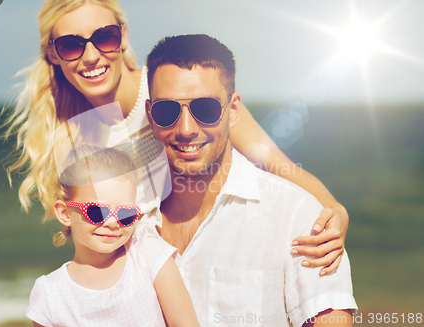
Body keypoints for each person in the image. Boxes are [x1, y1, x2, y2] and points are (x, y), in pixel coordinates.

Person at [3, 0, 347, 274]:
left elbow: (275, 163)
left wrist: (333, 209)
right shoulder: (71, 136)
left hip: (220, 262)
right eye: (71, 44)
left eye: (104, 37)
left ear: (122, 37)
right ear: (53, 53)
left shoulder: (178, 88)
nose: (91, 56)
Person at [143, 34, 357, 327]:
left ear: (233, 111)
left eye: (204, 108)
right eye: (166, 111)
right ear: (149, 115)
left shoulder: (299, 219)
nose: (186, 129)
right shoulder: (127, 217)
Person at [26, 145, 200, 326]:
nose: (112, 222)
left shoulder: (150, 257)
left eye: (125, 214)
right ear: (65, 213)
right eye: (98, 212)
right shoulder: (50, 294)